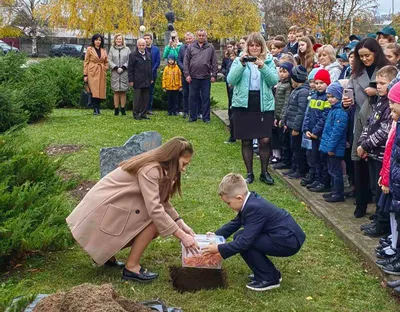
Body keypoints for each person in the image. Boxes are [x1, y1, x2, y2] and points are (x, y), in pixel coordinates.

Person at [66, 137, 198, 283]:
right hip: (103, 208)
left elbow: (162, 201)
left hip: (111, 206)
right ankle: (132, 267)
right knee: (154, 223)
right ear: (174, 158)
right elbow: (155, 209)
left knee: (156, 220)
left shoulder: (159, 168)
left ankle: (107, 256)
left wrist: (180, 222)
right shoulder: (151, 169)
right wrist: (182, 236)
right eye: (184, 164)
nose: (184, 169)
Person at [202, 173, 306, 292]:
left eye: (228, 203)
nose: (228, 206)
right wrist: (217, 235)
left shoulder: (253, 208)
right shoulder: (251, 201)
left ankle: (269, 279)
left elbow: (244, 242)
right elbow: (237, 221)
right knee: (239, 236)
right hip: (284, 236)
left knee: (244, 241)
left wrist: (219, 249)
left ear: (239, 198)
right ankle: (270, 273)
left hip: (288, 241)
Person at [342, 38, 390, 230]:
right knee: (359, 160)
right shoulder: (357, 73)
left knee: (376, 165)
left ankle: (379, 208)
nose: (365, 59)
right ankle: (360, 201)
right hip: (360, 120)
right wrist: (346, 103)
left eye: (368, 55)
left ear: (376, 53)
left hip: (380, 121)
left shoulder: (387, 71)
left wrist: (377, 92)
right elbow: (349, 94)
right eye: (361, 56)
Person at [227, 32, 279, 185]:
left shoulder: (269, 61)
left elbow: (274, 81)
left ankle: (264, 172)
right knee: (246, 140)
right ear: (247, 47)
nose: (254, 48)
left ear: (262, 46)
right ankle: (249, 173)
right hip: (244, 103)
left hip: (263, 104)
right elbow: (231, 80)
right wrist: (243, 65)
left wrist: (263, 67)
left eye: (257, 45)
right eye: (251, 45)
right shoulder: (239, 60)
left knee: (264, 139)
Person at [356, 66, 398, 219]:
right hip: (372, 152)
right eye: (377, 83)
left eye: (382, 83)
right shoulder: (379, 101)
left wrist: (366, 144)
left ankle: (382, 219)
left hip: (381, 154)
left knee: (382, 190)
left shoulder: (391, 104)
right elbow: (369, 123)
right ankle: (378, 216)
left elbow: (384, 131)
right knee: (374, 187)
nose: (378, 86)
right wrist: (362, 142)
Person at [375, 82, 400, 274]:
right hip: (394, 180)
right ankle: (395, 251)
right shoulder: (397, 124)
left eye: (393, 102)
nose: (390, 106)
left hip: (396, 181)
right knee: (394, 215)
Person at [319, 82, 349, 202]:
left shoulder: (341, 113)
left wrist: (330, 148)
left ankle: (338, 194)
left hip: (335, 148)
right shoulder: (333, 111)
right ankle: (333, 191)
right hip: (329, 147)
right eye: (328, 97)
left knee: (336, 172)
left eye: (333, 97)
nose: (330, 99)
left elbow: (337, 133)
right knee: (331, 170)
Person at [303, 69, 331, 192]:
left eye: (321, 83)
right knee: (315, 159)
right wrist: (306, 129)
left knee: (322, 159)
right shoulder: (313, 96)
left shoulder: (327, 98)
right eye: (317, 83)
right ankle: (317, 179)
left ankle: (323, 182)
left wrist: (315, 131)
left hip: (320, 135)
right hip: (312, 134)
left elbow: (324, 117)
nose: (319, 85)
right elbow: (308, 114)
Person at [184, 29, 218, 123]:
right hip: (193, 77)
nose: (201, 37)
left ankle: (206, 117)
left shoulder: (210, 47)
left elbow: (214, 62)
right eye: (199, 35)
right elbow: (186, 62)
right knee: (192, 97)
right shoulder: (191, 47)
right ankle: (192, 117)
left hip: (206, 77)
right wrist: (187, 74)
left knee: (206, 98)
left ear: (205, 36)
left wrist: (214, 75)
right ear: (196, 36)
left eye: (203, 35)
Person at [282, 65, 310, 179]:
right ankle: (294, 167)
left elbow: (301, 111)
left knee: (298, 149)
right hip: (290, 124)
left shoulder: (303, 92)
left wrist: (296, 128)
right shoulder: (296, 90)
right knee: (293, 147)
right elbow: (290, 108)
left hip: (295, 126)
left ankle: (300, 169)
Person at [271, 62, 293, 167]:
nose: (282, 74)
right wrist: (275, 116)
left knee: (283, 140)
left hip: (282, 116)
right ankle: (277, 156)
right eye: (280, 71)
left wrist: (282, 118)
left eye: (285, 72)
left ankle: (285, 160)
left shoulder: (288, 86)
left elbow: (286, 103)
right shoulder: (279, 84)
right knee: (277, 137)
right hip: (277, 114)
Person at [83, 34, 108, 115]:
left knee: (100, 91)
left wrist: (105, 67)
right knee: (94, 90)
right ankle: (95, 109)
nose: (98, 42)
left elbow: (106, 61)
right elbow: (86, 62)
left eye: (99, 40)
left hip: (101, 72)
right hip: (92, 72)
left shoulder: (103, 50)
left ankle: (98, 108)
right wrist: (85, 75)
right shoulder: (89, 49)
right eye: (96, 40)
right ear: (93, 41)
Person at [128, 38, 153, 120]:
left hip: (146, 80)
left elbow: (150, 67)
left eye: (143, 45)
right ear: (137, 45)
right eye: (140, 45)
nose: (142, 47)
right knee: (137, 99)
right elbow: (130, 69)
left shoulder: (148, 54)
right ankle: (136, 114)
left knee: (146, 98)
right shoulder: (133, 55)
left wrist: (151, 78)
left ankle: (143, 114)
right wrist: (131, 80)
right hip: (137, 80)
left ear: (145, 45)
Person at [108, 34, 131, 116]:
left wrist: (124, 67)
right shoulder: (112, 49)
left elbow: (130, 60)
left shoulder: (127, 49)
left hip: (124, 72)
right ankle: (116, 109)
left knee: (123, 92)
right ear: (115, 40)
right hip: (115, 73)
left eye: (120, 39)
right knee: (116, 91)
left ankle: (123, 108)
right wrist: (116, 67)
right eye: (117, 39)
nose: (118, 40)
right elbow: (109, 60)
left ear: (122, 40)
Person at [221, 41, 237, 143]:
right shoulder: (227, 58)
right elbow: (224, 67)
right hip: (229, 83)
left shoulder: (238, 59)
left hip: (236, 86)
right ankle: (233, 134)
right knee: (231, 104)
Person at [178, 32, 195, 119]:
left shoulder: (196, 48)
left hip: (195, 74)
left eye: (190, 39)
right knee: (185, 93)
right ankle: (185, 111)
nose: (188, 40)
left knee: (194, 93)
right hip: (185, 74)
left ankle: (195, 111)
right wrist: (185, 70)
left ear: (193, 39)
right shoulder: (181, 48)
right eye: (186, 39)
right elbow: (179, 60)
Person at [144, 33, 161, 115]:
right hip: (143, 74)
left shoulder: (156, 49)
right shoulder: (141, 48)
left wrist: (152, 70)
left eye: (148, 38)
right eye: (145, 38)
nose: (146, 40)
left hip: (152, 74)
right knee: (143, 91)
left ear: (151, 40)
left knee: (150, 91)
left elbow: (158, 61)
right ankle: (142, 108)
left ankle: (149, 108)